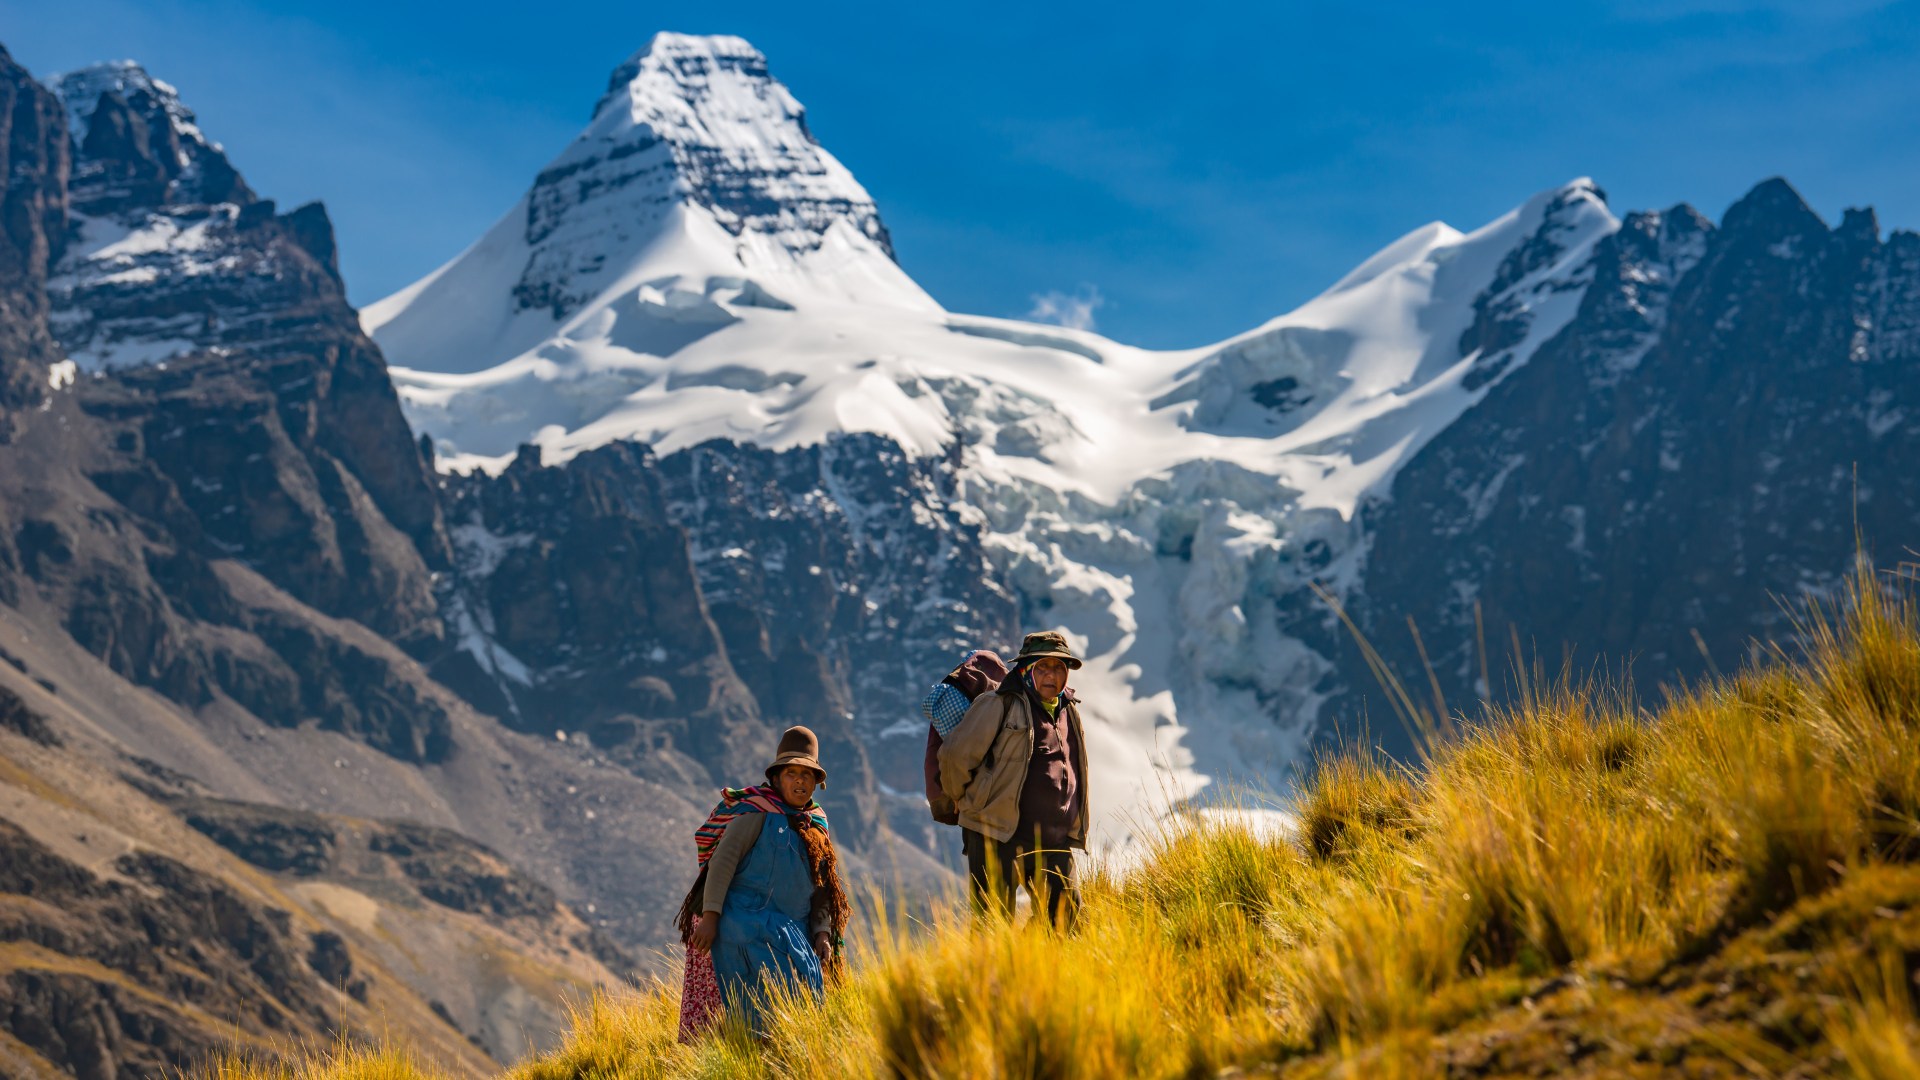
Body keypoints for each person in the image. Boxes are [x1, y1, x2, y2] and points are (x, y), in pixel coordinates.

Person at [675, 726, 850, 1036]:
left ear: (817, 783)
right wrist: (712, 917)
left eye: (807, 774)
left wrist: (822, 932)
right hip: (736, 921)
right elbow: (722, 863)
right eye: (792, 773)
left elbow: (822, 887)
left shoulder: (817, 825)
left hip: (790, 930)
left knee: (797, 1009)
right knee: (730, 1013)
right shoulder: (755, 812)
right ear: (777, 778)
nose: (799, 780)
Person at [937, 630, 1089, 928]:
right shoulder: (998, 704)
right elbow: (956, 757)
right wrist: (959, 798)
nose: (1052, 675)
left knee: (1067, 919)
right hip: (996, 834)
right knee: (992, 928)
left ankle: (1034, 969)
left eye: (1059, 667)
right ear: (1025, 669)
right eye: (1042, 666)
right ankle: (992, 975)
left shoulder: (1069, 711)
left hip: (1052, 838)